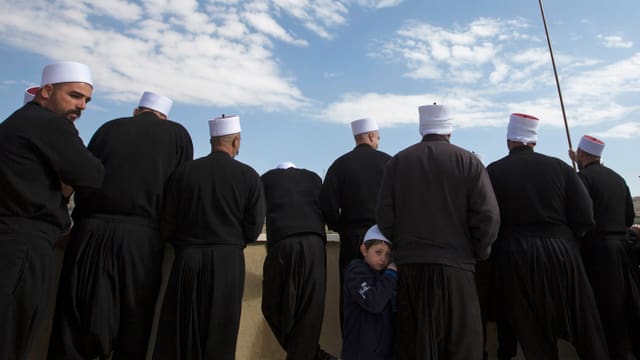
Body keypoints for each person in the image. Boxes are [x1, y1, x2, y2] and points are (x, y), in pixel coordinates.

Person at [48, 91, 193, 359]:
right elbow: (179, 191)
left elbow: (84, 176)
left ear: (137, 110)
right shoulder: (177, 135)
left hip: (90, 231)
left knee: (75, 318)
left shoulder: (108, 128)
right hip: (143, 239)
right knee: (133, 322)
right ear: (163, 116)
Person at [377, 104, 500, 359]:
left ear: (422, 128)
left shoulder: (398, 161)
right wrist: (478, 252)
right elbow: (488, 216)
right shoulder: (469, 161)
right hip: (458, 269)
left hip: (411, 270)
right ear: (449, 130)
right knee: (462, 347)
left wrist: (404, 248)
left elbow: (384, 218)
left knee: (415, 347)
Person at [0, 61, 104, 360]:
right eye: (74, 96)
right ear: (46, 91)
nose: (81, 105)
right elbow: (91, 174)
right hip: (23, 245)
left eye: (86, 100)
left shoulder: (20, 121)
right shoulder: (48, 123)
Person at [486, 113, 608, 360]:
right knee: (584, 325)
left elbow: (487, 217)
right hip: (562, 251)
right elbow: (585, 216)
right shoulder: (560, 167)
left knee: (533, 334)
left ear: (509, 140)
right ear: (534, 141)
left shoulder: (494, 171)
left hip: (513, 255)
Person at [153, 115, 265, 360]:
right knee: (220, 332)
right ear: (236, 141)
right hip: (227, 261)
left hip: (187, 260)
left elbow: (167, 222)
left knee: (180, 330)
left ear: (212, 140)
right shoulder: (248, 176)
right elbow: (254, 227)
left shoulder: (184, 172)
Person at [569, 135, 639, 359]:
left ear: (581, 154)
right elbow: (629, 217)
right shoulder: (618, 179)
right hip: (622, 250)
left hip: (596, 253)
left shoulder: (581, 179)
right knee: (625, 307)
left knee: (604, 311)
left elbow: (578, 217)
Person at [319, 117, 391, 328]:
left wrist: (342, 228)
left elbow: (327, 205)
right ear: (371, 135)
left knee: (352, 296)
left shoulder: (339, 165)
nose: (378, 140)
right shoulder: (389, 162)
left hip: (352, 241)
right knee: (385, 293)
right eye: (378, 137)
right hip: (385, 241)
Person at [261, 162, 336, 360]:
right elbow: (328, 210)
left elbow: (256, 213)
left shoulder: (267, 179)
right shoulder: (313, 178)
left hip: (282, 244)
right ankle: (314, 355)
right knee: (309, 313)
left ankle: (311, 354)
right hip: (314, 244)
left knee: (271, 307)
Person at [342, 225, 397, 360]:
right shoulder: (356, 272)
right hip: (360, 353)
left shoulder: (385, 276)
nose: (383, 259)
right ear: (364, 250)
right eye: (378, 252)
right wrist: (391, 274)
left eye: (387, 255)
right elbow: (374, 302)